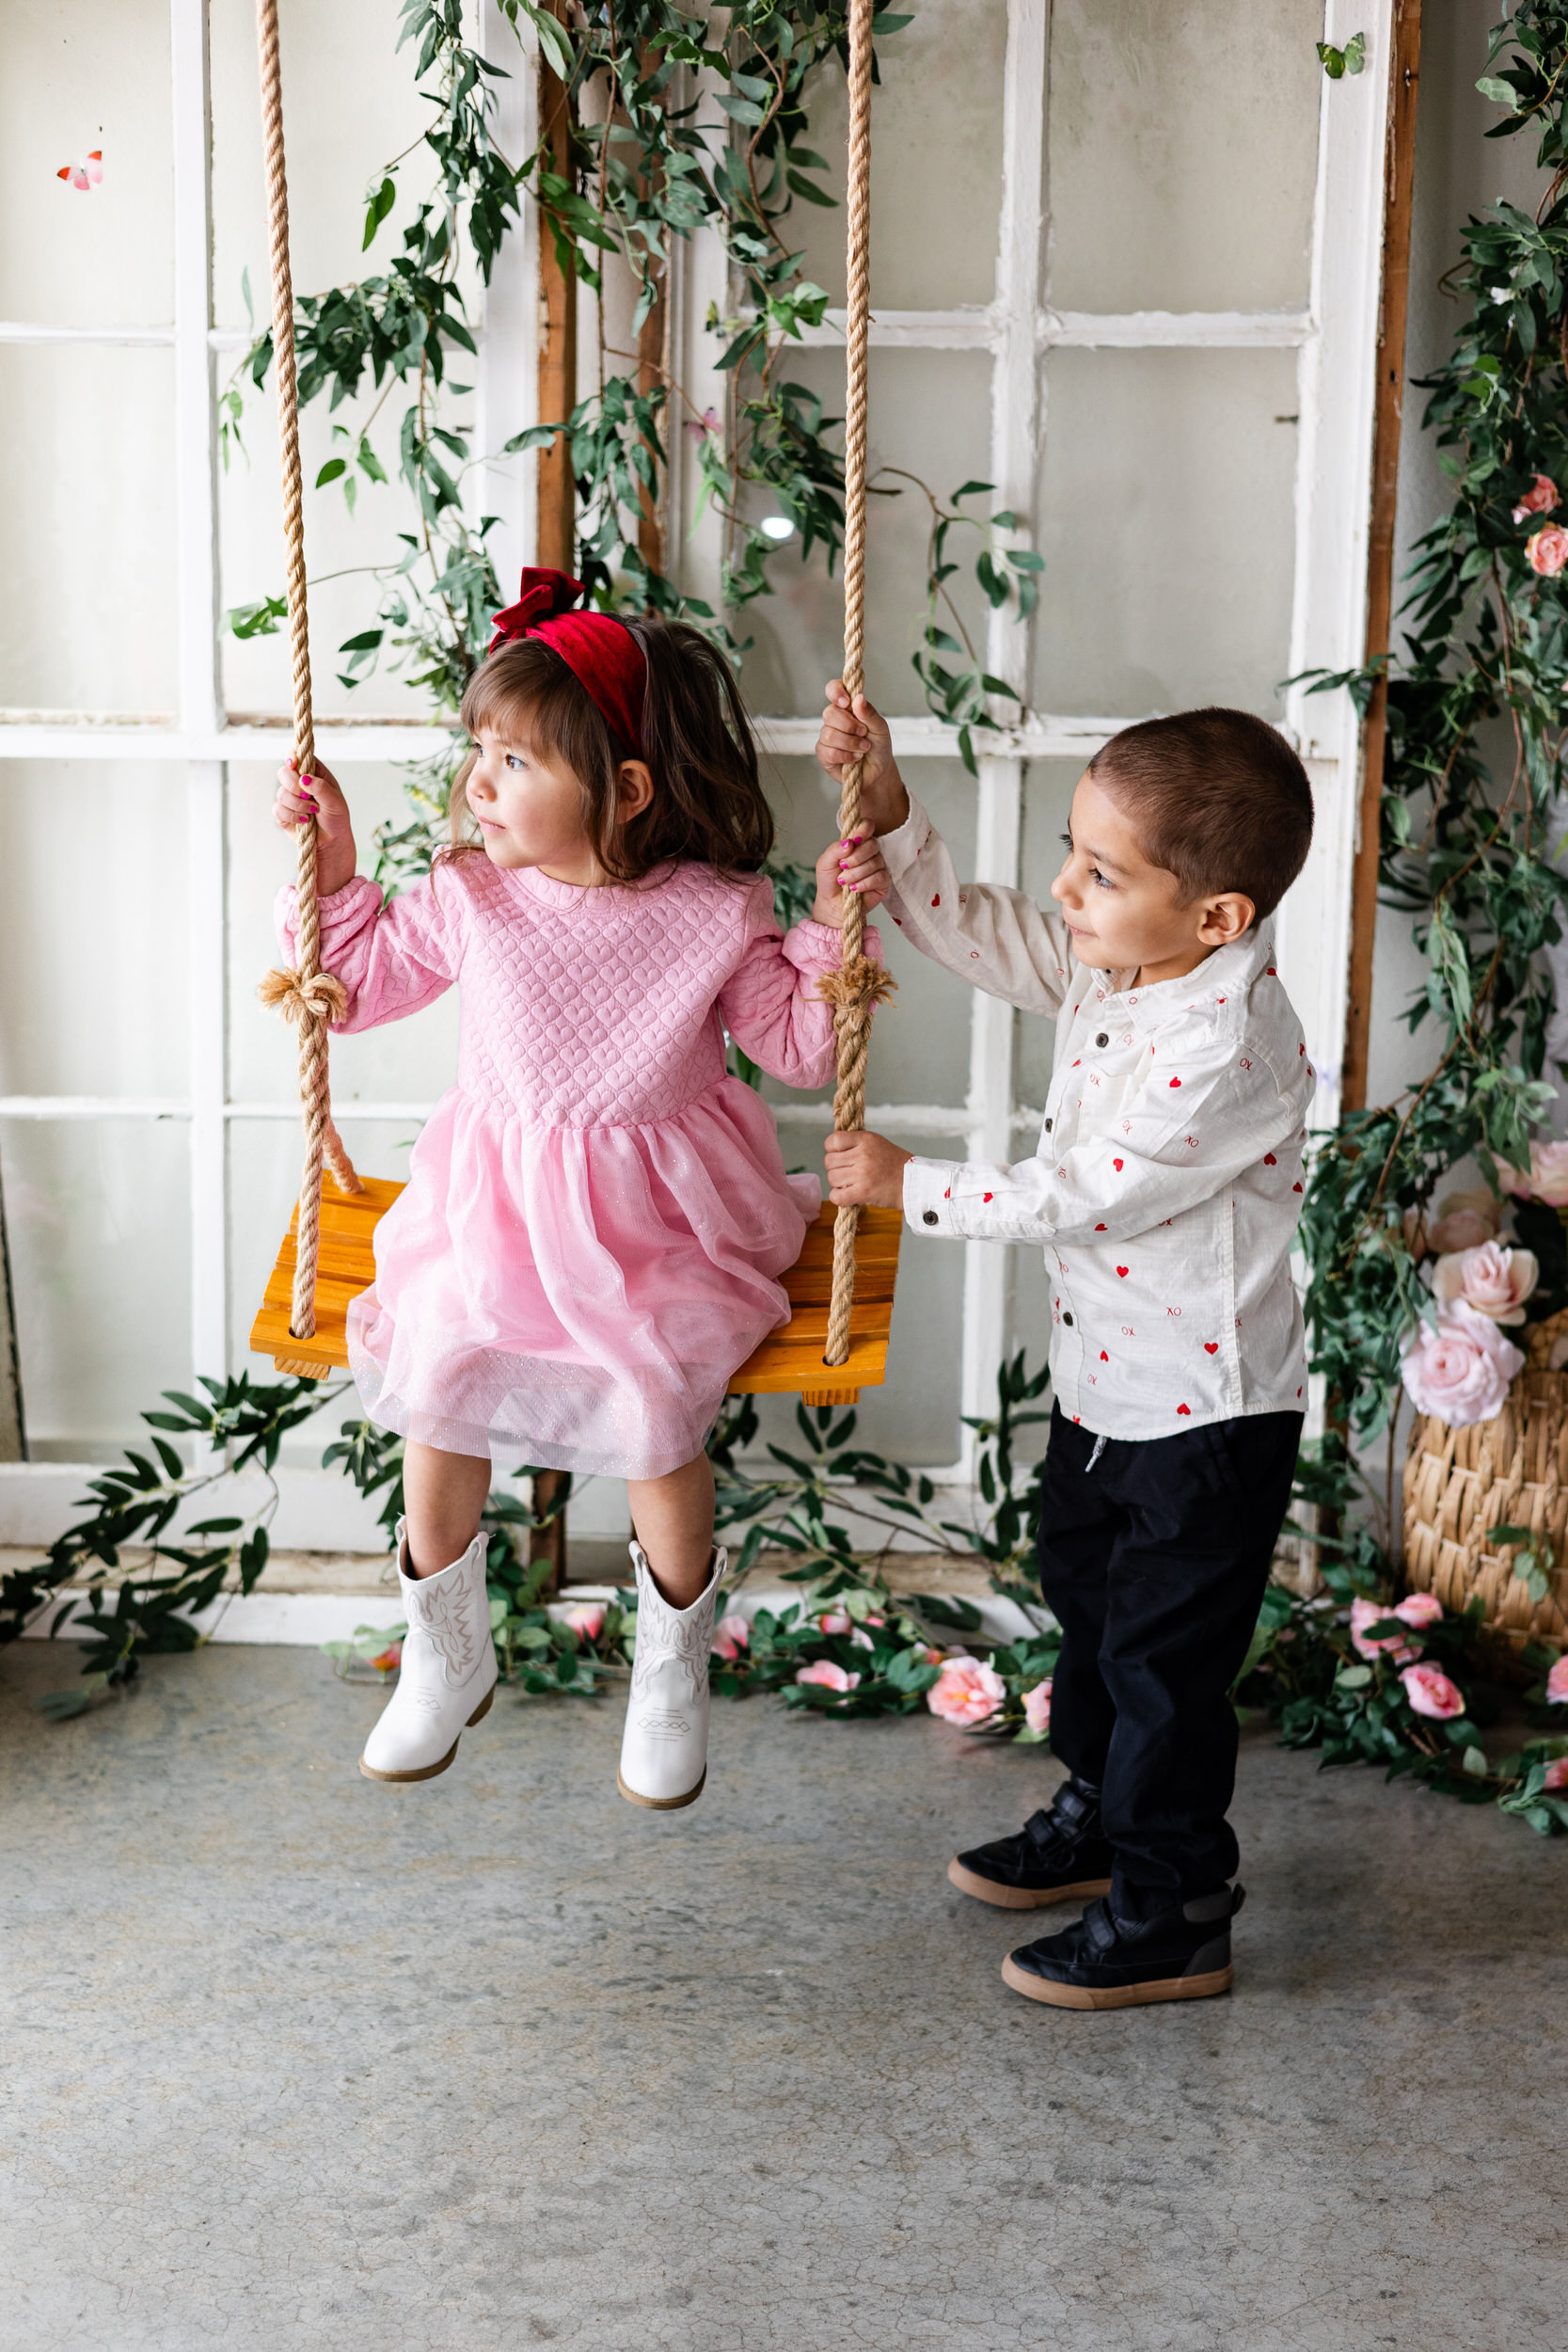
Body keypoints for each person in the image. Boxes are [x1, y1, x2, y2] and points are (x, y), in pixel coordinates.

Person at [271, 570, 879, 1809]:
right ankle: (442, 1648)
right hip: (494, 1217)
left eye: (513, 761)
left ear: (626, 790)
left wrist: (827, 935)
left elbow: (804, 1048)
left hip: (664, 1225)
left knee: (657, 1408)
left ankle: (670, 1671)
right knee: (435, 1386)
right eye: (477, 754)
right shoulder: (470, 897)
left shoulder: (716, 911)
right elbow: (362, 985)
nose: (477, 784)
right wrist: (332, 872)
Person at [816, 686, 1315, 2010]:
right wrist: (895, 823)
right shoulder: (1125, 964)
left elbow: (1085, 1190)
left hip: (1207, 1417)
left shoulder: (1223, 1048)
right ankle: (1101, 1817)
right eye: (1074, 852)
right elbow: (996, 939)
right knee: (1089, 1606)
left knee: (1161, 1662)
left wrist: (909, 1185)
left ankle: (1174, 1909)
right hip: (1108, 1390)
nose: (1067, 891)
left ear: (1219, 918)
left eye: (1099, 873)